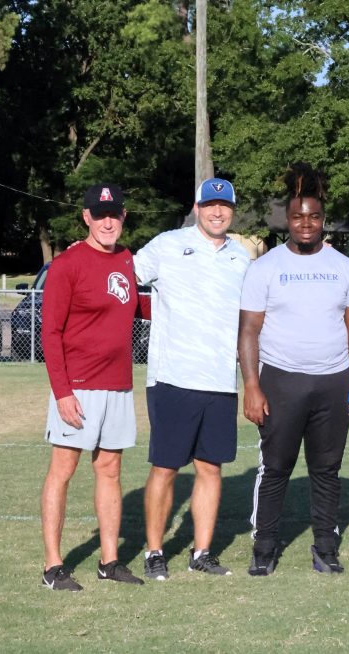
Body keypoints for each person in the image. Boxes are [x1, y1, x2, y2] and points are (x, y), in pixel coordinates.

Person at [238, 163, 349, 576]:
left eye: (313, 216)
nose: (306, 224)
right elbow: (248, 331)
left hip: (333, 382)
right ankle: (264, 548)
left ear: (323, 218)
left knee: (326, 470)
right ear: (287, 219)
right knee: (276, 468)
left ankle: (326, 548)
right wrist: (252, 386)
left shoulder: (344, 267)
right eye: (298, 216)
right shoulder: (264, 268)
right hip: (280, 380)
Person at [134, 178, 251, 580]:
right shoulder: (167, 244)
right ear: (196, 206)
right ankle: (154, 552)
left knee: (210, 468)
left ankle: (202, 552)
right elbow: (122, 278)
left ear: (233, 210)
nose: (217, 212)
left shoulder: (242, 257)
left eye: (225, 206)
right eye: (210, 205)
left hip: (221, 381)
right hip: (173, 378)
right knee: (166, 467)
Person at [39, 183, 145, 590]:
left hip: (118, 384)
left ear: (123, 217)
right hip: (78, 387)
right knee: (62, 471)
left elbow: (139, 307)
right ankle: (52, 566)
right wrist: (63, 391)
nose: (107, 221)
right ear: (86, 217)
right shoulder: (69, 263)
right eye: (99, 214)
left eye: (114, 214)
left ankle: (110, 560)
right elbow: (50, 332)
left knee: (110, 469)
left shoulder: (127, 260)